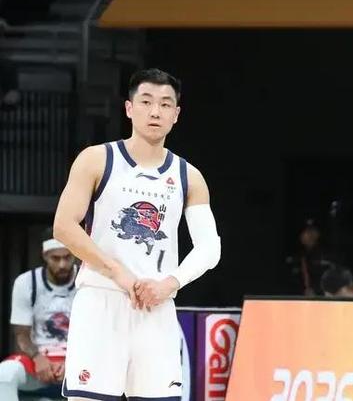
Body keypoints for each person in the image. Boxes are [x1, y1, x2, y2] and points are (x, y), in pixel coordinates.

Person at [53, 68, 222, 400]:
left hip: (157, 306)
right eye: (146, 101)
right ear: (129, 108)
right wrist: (118, 272)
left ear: (176, 114)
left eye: (165, 104)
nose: (155, 111)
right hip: (101, 300)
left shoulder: (189, 176)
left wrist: (170, 283)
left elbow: (209, 248)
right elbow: (64, 225)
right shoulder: (96, 159)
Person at [0, 235, 77, 401]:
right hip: (38, 358)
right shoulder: (27, 282)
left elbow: (98, 332)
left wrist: (74, 361)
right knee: (4, 374)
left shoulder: (86, 280)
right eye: (55, 258)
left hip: (79, 358)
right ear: (45, 255)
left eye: (67, 257)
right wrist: (37, 358)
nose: (62, 264)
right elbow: (21, 334)